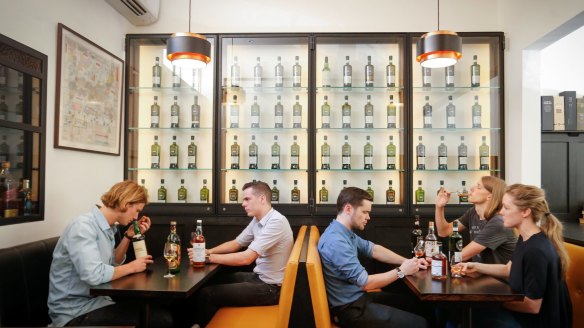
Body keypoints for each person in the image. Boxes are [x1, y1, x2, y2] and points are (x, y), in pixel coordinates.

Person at [47, 180, 173, 327]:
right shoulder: (83, 227)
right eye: (137, 210)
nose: (136, 217)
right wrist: (132, 267)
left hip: (99, 303)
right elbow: (93, 275)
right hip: (74, 314)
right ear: (126, 203)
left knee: (162, 308)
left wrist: (128, 236)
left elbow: (112, 264)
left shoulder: (107, 227)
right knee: (160, 320)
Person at [462, 184, 572, 328]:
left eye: (506, 208)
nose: (500, 212)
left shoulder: (536, 251)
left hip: (537, 322)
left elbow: (532, 306)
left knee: (469, 315)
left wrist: (492, 302)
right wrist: (476, 266)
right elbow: (509, 269)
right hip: (526, 316)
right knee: (463, 313)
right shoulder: (525, 238)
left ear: (525, 212)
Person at [318, 187, 428, 328]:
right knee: (421, 324)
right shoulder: (336, 241)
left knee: (418, 306)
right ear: (348, 209)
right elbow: (365, 283)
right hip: (350, 310)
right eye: (365, 212)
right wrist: (401, 271)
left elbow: (373, 249)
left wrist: (408, 261)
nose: (368, 217)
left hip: (358, 298)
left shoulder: (343, 232)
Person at [189, 180, 293, 326]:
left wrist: (206, 257)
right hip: (259, 278)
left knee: (207, 294)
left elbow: (246, 258)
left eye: (247, 199)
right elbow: (236, 243)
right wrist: (208, 251)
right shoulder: (258, 219)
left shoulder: (276, 222)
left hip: (271, 289)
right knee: (209, 281)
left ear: (262, 199)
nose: (243, 204)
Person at [434, 176, 516, 264]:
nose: (471, 188)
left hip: (497, 277)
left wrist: (437, 259)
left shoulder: (498, 222)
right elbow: (443, 231)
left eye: (478, 187)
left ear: (489, 196)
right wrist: (439, 207)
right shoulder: (473, 212)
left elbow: (462, 256)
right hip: (481, 274)